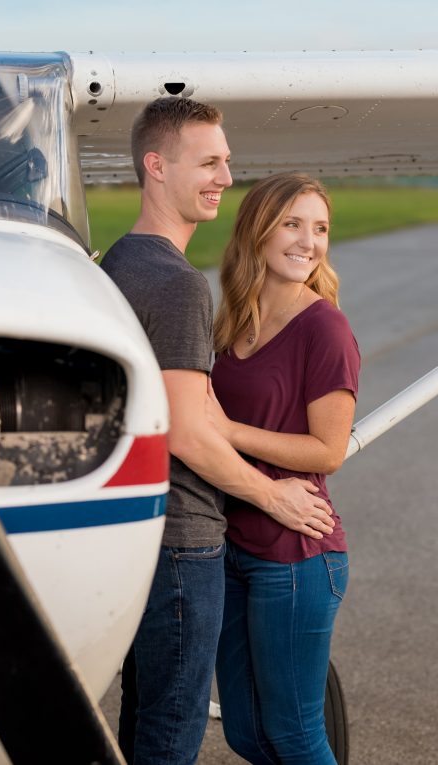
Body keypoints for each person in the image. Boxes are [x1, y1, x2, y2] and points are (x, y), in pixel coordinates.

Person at [99, 98, 336, 764]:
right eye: (209, 162)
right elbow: (189, 433)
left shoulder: (120, 261)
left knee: (144, 718)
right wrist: (274, 495)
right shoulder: (177, 285)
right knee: (171, 731)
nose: (225, 177)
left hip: (141, 531)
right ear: (156, 165)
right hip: (184, 541)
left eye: (226, 162)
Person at [208, 173, 358, 764]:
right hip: (232, 551)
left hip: (296, 556)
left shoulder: (324, 327)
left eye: (319, 228)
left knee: (296, 736)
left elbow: (328, 450)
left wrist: (230, 432)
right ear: (258, 232)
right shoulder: (232, 323)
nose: (308, 241)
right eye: (293, 224)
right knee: (247, 734)